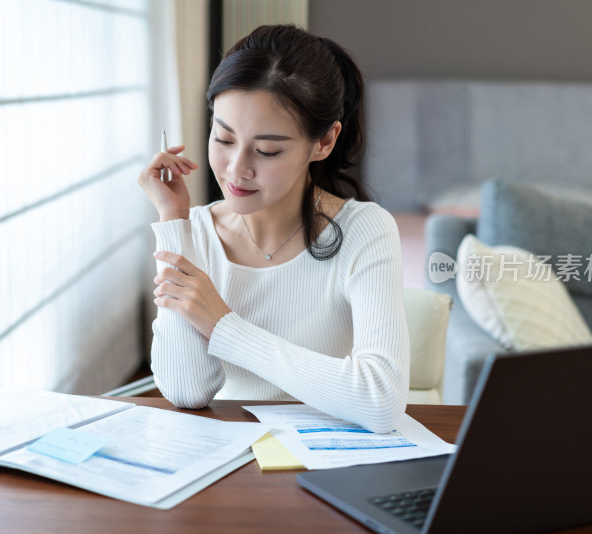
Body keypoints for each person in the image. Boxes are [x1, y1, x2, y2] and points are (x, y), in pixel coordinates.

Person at [137, 24, 409, 434]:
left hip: (322, 470)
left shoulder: (365, 230)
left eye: (267, 150)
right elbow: (186, 391)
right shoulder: (191, 233)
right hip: (228, 470)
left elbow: (381, 401)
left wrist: (224, 326)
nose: (237, 169)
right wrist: (174, 221)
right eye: (224, 138)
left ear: (324, 142)